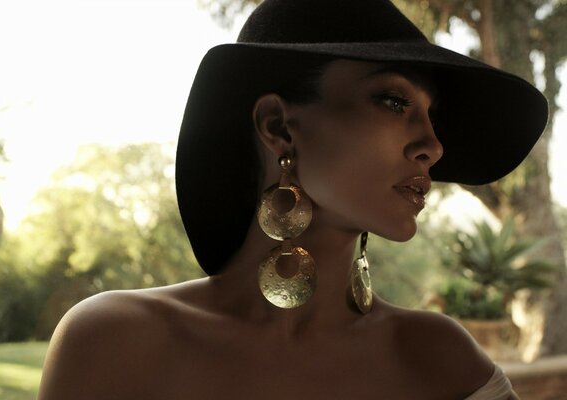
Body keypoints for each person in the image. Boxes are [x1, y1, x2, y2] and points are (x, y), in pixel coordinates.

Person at [37, 0, 547, 399]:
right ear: (279, 127)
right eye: (394, 101)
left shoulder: (444, 361)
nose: (432, 145)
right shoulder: (114, 344)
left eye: (432, 116)